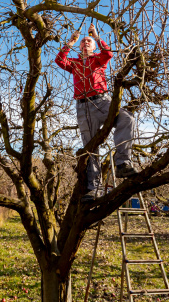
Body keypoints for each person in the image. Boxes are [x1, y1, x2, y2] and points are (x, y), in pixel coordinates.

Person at [55, 23, 138, 203]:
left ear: (93, 46)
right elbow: (60, 60)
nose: (86, 42)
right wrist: (70, 42)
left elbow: (109, 53)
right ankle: (95, 189)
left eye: (89, 41)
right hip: (83, 107)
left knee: (127, 118)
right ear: (79, 47)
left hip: (103, 101)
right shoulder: (75, 63)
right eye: (83, 41)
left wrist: (97, 36)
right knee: (90, 146)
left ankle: (123, 162)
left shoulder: (99, 59)